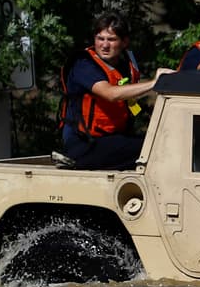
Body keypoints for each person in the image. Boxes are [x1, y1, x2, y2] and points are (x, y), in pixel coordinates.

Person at [56, 13, 174, 170]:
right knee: (154, 149)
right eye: (100, 38)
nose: (104, 45)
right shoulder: (84, 64)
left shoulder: (125, 64)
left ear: (124, 42)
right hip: (83, 145)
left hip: (112, 140)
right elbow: (110, 93)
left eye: (111, 39)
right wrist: (154, 83)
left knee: (163, 142)